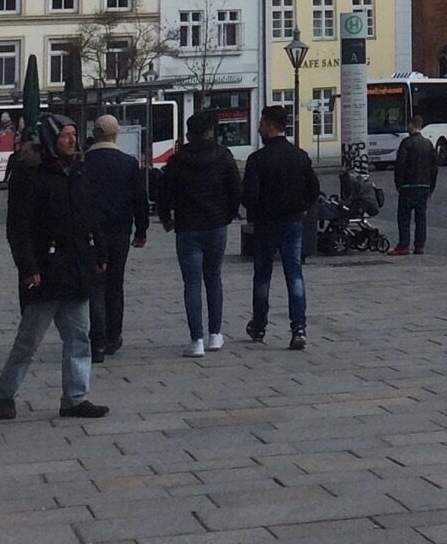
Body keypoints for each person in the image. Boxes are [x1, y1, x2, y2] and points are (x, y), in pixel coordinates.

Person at [0, 115, 108, 421]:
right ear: (50, 140)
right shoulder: (30, 175)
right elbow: (18, 227)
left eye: (74, 134)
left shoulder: (79, 171)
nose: (73, 140)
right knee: (29, 341)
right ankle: (5, 394)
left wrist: (100, 250)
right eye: (66, 135)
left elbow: (90, 214)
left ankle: (75, 397)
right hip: (46, 268)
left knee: (79, 338)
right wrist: (28, 267)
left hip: (77, 267)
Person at [157, 112, 242, 357]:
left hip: (187, 227)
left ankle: (196, 340)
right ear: (210, 132)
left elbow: (164, 192)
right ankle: (215, 335)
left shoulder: (177, 160)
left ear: (188, 133)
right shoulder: (224, 157)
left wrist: (166, 218)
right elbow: (236, 188)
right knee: (214, 278)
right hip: (216, 225)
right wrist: (229, 214)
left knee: (192, 283)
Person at [241, 108, 319, 349]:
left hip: (266, 224)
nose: (258, 127)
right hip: (293, 222)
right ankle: (298, 328)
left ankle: (260, 325)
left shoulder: (258, 160)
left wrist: (253, 212)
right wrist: (303, 207)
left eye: (261, 123)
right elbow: (313, 188)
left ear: (269, 125)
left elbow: (249, 196)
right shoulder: (300, 156)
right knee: (294, 274)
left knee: (262, 275)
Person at [81, 114, 149, 362]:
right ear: (116, 134)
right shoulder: (127, 163)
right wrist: (141, 230)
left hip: (90, 233)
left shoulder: (84, 162)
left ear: (95, 134)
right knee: (115, 284)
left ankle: (96, 340)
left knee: (95, 287)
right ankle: (113, 336)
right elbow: (139, 198)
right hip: (120, 231)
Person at [389, 114, 438, 258]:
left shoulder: (407, 143)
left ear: (411, 125)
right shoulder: (428, 144)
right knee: (421, 217)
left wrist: (398, 184)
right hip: (424, 186)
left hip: (408, 186)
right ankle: (420, 245)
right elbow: (434, 167)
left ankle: (403, 245)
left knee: (404, 216)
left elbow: (400, 165)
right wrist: (431, 187)